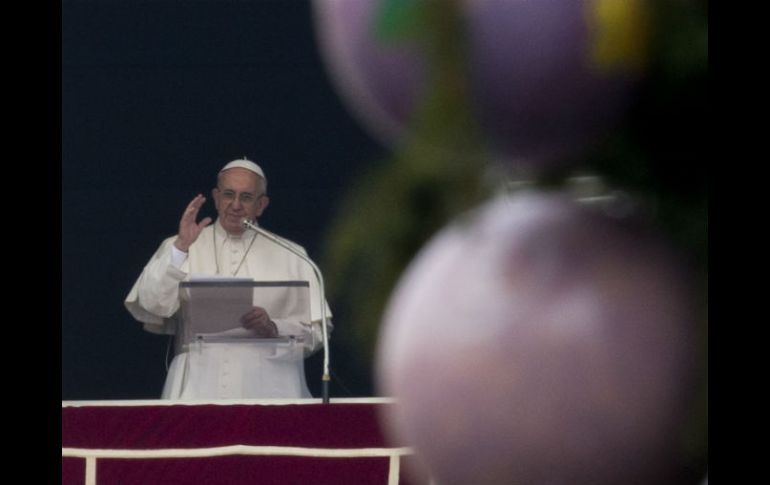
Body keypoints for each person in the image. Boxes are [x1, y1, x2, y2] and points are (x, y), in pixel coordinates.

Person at [125, 158, 332, 399]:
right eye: (228, 194)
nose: (235, 205)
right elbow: (153, 304)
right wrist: (181, 247)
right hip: (197, 387)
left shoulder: (293, 255)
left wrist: (273, 327)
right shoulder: (179, 246)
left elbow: (318, 334)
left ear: (261, 204)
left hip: (272, 388)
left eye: (246, 197)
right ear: (215, 197)